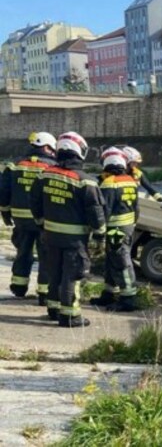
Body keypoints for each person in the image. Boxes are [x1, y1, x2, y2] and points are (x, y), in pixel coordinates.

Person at [30, 132, 105, 327]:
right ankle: (70, 316)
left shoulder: (44, 175)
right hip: (75, 240)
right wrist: (100, 234)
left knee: (54, 272)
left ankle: (54, 309)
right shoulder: (86, 181)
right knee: (72, 276)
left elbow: (35, 202)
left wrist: (41, 223)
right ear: (79, 152)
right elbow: (95, 212)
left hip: (50, 236)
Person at [0, 132, 58, 305]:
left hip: (20, 218)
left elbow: (3, 191)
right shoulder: (52, 167)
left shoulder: (14, 164)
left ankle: (18, 287)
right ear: (47, 147)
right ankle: (44, 293)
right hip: (43, 220)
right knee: (46, 256)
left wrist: (5, 212)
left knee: (23, 252)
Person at [91, 147, 140, 311]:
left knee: (121, 262)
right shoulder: (130, 180)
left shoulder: (109, 183)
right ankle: (109, 294)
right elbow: (136, 207)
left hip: (115, 229)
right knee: (112, 260)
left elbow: (104, 211)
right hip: (126, 227)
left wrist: (98, 233)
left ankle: (128, 299)